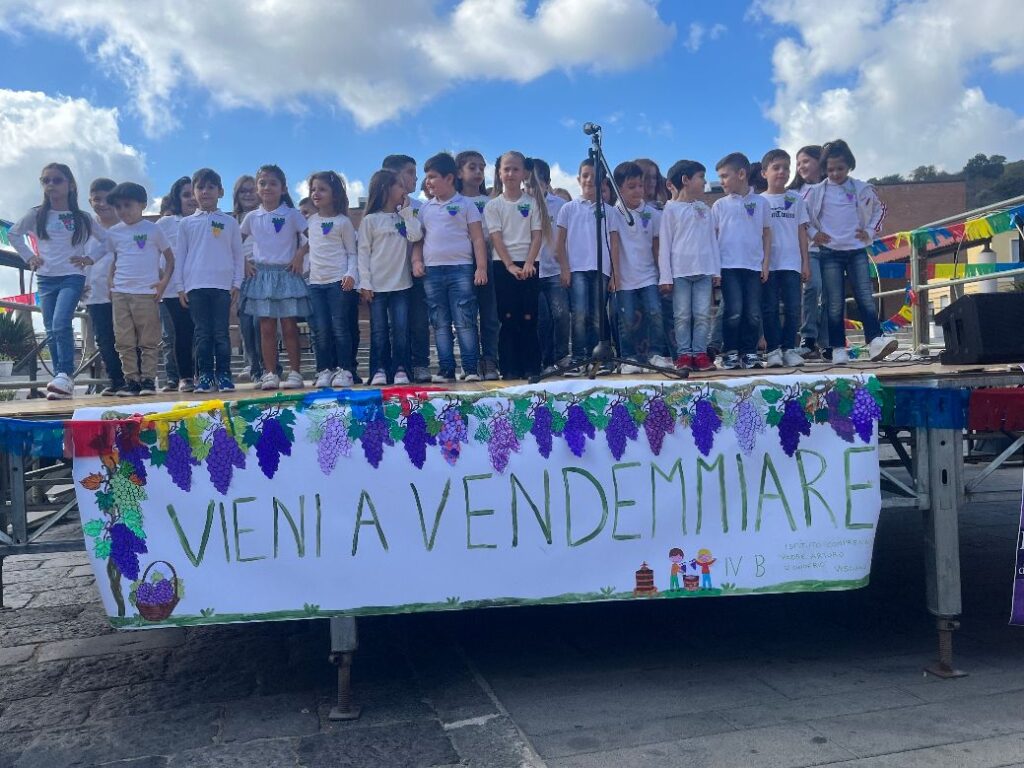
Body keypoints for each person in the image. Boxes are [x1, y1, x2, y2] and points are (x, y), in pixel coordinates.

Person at [805, 139, 897, 364]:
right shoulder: (817, 192)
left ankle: (875, 340)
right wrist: (814, 234)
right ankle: (837, 347)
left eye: (840, 169)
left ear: (849, 166)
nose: (835, 173)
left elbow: (880, 209)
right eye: (831, 169)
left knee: (865, 296)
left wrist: (869, 230)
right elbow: (803, 216)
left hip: (856, 250)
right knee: (834, 301)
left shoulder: (861, 188)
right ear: (825, 169)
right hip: (830, 252)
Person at [10, 163, 96, 399]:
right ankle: (62, 379)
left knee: (60, 322)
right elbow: (13, 234)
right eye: (45, 180)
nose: (50, 185)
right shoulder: (36, 213)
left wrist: (90, 259)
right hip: (46, 278)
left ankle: (65, 373)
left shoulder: (82, 217)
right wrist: (30, 257)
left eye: (57, 180)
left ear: (70, 185)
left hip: (72, 276)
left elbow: (106, 241)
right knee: (50, 328)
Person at [411, 152, 487, 383]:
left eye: (433, 176)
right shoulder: (425, 209)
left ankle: (471, 368)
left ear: (450, 178)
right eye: (427, 177)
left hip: (461, 268)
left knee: (464, 319)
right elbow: (419, 239)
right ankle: (446, 368)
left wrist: (481, 267)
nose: (428, 182)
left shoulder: (466, 205)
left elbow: (477, 239)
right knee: (439, 322)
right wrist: (416, 261)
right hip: (432, 272)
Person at [239, 164, 310, 390]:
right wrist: (243, 263)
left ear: (283, 188)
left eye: (273, 183)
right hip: (262, 275)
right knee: (266, 327)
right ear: (257, 189)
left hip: (286, 273)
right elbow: (233, 243)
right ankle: (270, 373)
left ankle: (295, 373)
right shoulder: (251, 217)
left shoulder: (292, 214)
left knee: (289, 325)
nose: (267, 187)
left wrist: (300, 254)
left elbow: (314, 237)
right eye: (262, 183)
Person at [176, 168, 244, 393]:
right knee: (202, 333)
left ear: (220, 191)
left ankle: (224, 374)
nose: (205, 192)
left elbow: (238, 254)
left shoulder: (230, 222)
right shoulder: (186, 224)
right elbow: (181, 256)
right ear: (194, 192)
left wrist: (237, 283)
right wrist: (180, 287)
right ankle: (204, 375)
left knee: (222, 333)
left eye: (211, 187)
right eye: (200, 187)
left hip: (223, 286)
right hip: (195, 286)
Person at [105, 182, 174, 396]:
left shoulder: (153, 229)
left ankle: (148, 381)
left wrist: (163, 283)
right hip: (121, 292)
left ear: (142, 204)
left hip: (146, 293)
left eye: (128, 205)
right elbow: (116, 258)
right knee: (123, 338)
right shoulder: (114, 232)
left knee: (148, 339)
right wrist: (110, 279)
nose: (123, 211)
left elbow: (170, 258)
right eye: (118, 207)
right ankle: (131, 380)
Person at [484, 151, 548, 380]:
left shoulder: (532, 203)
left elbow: (537, 235)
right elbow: (496, 237)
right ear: (499, 173)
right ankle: (510, 368)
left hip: (530, 264)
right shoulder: (493, 206)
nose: (510, 174)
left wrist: (529, 262)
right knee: (508, 318)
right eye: (506, 169)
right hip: (503, 265)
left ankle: (532, 367)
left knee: (529, 317)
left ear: (524, 173)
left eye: (515, 169)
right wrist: (510, 265)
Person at [358, 169, 423, 386]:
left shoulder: (406, 216)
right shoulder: (370, 220)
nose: (404, 191)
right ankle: (378, 368)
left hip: (402, 284)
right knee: (378, 330)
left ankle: (401, 368)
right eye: (400, 186)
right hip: (377, 286)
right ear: (386, 188)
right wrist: (364, 283)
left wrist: (405, 213)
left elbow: (416, 236)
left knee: (401, 330)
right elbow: (363, 253)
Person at [556, 158, 620, 373]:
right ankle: (579, 357)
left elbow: (614, 244)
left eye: (594, 176)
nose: (589, 180)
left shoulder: (609, 211)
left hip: (601, 269)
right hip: (577, 269)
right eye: (585, 175)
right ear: (578, 178)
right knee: (580, 313)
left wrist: (615, 274)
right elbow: (560, 242)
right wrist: (564, 268)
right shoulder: (568, 208)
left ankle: (599, 357)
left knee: (598, 314)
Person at [658, 160, 719, 372]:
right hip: (680, 273)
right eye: (701, 177)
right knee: (682, 315)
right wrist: (665, 277)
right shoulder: (671, 210)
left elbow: (712, 241)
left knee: (702, 314)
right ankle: (684, 355)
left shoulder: (705, 209)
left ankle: (700, 354)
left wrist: (716, 271)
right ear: (685, 180)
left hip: (703, 271)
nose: (704, 182)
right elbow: (664, 244)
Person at [712, 152, 771, 370]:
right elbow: (713, 237)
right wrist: (715, 269)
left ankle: (749, 353)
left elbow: (766, 234)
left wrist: (766, 264)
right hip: (728, 267)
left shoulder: (761, 203)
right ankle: (730, 352)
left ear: (742, 174)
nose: (721, 181)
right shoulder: (719, 205)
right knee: (733, 311)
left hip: (753, 267)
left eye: (725, 176)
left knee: (753, 313)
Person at [611, 161, 672, 373]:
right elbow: (614, 246)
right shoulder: (612, 214)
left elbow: (657, 248)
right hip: (624, 278)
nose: (638, 190)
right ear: (619, 189)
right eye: (631, 187)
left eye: (640, 185)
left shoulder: (653, 214)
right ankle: (628, 358)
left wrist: (664, 275)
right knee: (625, 318)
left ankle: (655, 354)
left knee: (655, 312)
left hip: (648, 275)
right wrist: (615, 277)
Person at [305, 171, 359, 388]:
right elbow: (307, 247)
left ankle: (345, 369)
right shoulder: (310, 221)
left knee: (340, 327)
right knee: (321, 329)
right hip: (316, 284)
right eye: (313, 189)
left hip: (338, 282)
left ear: (334, 195)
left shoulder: (343, 222)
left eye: (322, 189)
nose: (316, 193)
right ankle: (323, 370)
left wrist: (350, 274)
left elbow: (352, 252)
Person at [382, 153, 431, 383]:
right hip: (389, 276)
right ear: (393, 175)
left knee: (420, 321)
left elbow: (421, 237)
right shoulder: (378, 211)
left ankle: (420, 364)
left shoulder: (421, 207)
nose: (415, 177)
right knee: (394, 325)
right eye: (410, 172)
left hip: (417, 273)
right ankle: (396, 366)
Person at [760, 149, 811, 368]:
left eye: (786, 168)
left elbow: (802, 232)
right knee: (769, 307)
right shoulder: (759, 201)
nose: (782, 172)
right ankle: (773, 350)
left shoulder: (796, 199)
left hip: (791, 263)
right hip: (768, 264)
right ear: (764, 173)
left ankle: (789, 348)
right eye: (776, 167)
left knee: (793, 307)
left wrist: (805, 262)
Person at [456, 150, 500, 380]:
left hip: (490, 260)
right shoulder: (455, 201)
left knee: (490, 314)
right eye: (472, 167)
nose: (478, 172)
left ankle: (490, 360)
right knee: (466, 315)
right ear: (459, 172)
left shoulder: (490, 202)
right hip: (462, 261)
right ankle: (470, 361)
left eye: (482, 168)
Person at [526, 158, 571, 376]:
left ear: (547, 183)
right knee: (541, 319)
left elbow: (567, 240)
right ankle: (545, 361)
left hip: (554, 270)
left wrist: (565, 268)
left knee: (561, 315)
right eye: (528, 184)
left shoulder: (560, 206)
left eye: (535, 184)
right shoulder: (522, 205)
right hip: (532, 270)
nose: (531, 189)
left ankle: (562, 357)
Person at [83, 177, 126, 396]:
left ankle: (134, 380)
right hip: (96, 295)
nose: (102, 203)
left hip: (125, 295)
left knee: (128, 338)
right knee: (105, 340)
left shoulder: (126, 228)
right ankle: (116, 380)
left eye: (108, 198)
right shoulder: (85, 231)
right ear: (90, 201)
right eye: (97, 199)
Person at [156, 176, 198, 392]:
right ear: (177, 199)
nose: (192, 198)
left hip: (201, 285)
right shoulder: (165, 223)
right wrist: (161, 278)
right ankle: (185, 377)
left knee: (201, 332)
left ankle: (204, 375)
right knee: (181, 332)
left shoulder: (206, 221)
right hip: (173, 289)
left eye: (194, 193)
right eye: (186, 195)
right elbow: (152, 253)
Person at [789, 145, 828, 357]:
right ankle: (808, 336)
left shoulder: (832, 186)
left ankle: (828, 341)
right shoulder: (795, 193)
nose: (801, 166)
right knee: (812, 288)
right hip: (810, 249)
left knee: (830, 294)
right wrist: (813, 234)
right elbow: (798, 222)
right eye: (798, 163)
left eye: (805, 161)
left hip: (832, 249)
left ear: (819, 163)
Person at [232, 175, 267, 382]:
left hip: (263, 273)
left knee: (261, 322)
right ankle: (253, 365)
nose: (247, 194)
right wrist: (243, 265)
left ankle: (268, 365)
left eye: (250, 189)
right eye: (242, 191)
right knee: (245, 323)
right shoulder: (231, 220)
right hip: (243, 274)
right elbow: (230, 248)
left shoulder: (264, 215)